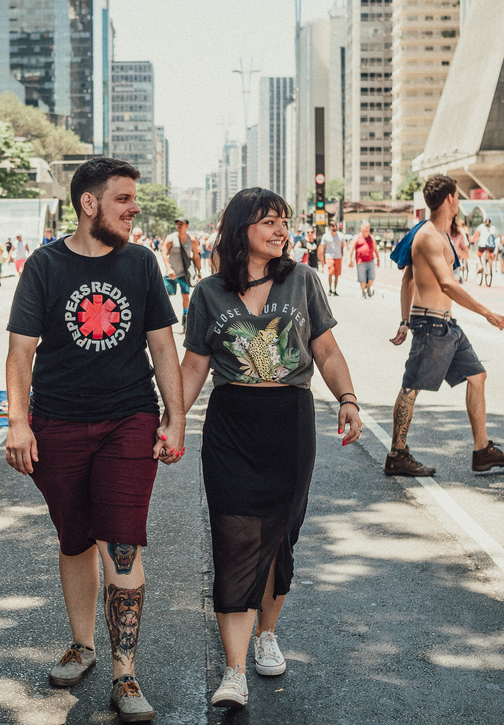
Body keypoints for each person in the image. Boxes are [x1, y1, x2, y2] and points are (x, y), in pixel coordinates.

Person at [5, 156, 185, 723]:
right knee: (75, 538)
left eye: (135, 199)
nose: (136, 209)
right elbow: (20, 352)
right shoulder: (44, 265)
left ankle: (124, 672)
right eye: (124, 199)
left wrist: (175, 418)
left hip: (127, 419)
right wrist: (18, 421)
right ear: (89, 204)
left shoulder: (142, 264)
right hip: (57, 423)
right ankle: (83, 644)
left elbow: (161, 347)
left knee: (121, 542)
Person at [177, 188, 361, 709]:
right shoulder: (208, 292)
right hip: (232, 425)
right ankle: (233, 670)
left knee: (280, 536)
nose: (281, 230)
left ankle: (266, 634)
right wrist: (171, 423)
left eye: (284, 221)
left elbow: (324, 348)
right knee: (234, 538)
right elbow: (193, 366)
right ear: (241, 231)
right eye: (269, 222)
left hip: (290, 422)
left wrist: (347, 397)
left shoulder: (301, 279)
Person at [387, 175, 504, 477]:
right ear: (449, 199)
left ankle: (482, 450)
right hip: (432, 325)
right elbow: (446, 285)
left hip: (447, 325)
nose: (458, 202)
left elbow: (408, 277)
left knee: (477, 376)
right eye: (457, 197)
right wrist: (488, 313)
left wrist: (403, 321)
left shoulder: (439, 233)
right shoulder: (428, 236)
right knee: (411, 387)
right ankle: (397, 454)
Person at [161, 216, 201, 328]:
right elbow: (164, 253)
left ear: (186, 226)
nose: (178, 225)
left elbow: (196, 256)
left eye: (181, 224)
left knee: (185, 296)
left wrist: (199, 272)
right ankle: (162, 319)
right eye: (177, 223)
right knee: (164, 295)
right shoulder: (171, 239)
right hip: (171, 274)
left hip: (185, 274)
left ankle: (185, 317)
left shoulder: (192, 240)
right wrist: (168, 268)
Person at [348, 220, 379, 299]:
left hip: (370, 261)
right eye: (365, 228)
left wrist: (378, 260)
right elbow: (351, 249)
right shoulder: (356, 237)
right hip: (360, 261)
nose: (367, 230)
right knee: (362, 279)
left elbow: (375, 249)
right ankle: (363, 292)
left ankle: (368, 288)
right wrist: (350, 260)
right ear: (361, 229)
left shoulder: (371, 237)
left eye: (368, 228)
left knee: (372, 278)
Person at [320, 222, 345, 296]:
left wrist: (345, 256)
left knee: (337, 274)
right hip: (329, 256)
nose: (334, 227)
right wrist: (322, 259)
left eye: (335, 226)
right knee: (331, 272)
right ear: (329, 227)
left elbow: (344, 246)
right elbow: (322, 248)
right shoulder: (325, 236)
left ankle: (335, 290)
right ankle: (330, 289)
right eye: (332, 226)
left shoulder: (341, 236)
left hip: (338, 257)